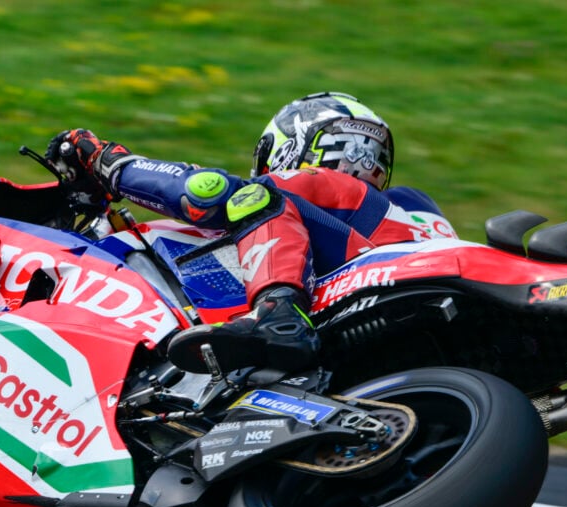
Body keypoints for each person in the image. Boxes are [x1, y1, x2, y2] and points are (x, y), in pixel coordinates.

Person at [48, 92, 456, 375]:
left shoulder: (332, 190)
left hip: (374, 299)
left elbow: (204, 193)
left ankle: (278, 314)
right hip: (426, 327)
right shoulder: (413, 213)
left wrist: (108, 162)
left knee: (251, 199)